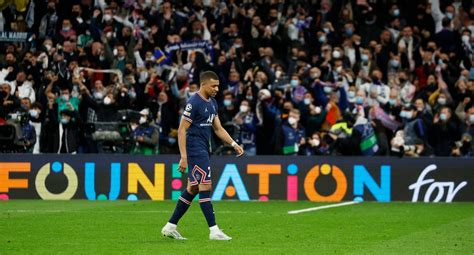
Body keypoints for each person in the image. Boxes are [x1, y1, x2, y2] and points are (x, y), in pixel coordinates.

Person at [161, 71, 244, 240]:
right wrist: (183, 156)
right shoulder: (194, 102)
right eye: (213, 86)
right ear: (203, 84)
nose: (217, 89)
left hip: (204, 149)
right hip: (194, 149)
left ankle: (170, 226)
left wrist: (234, 144)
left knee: (193, 188)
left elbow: (218, 129)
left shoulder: (212, 103)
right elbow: (182, 130)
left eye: (218, 85)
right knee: (205, 186)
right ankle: (214, 231)